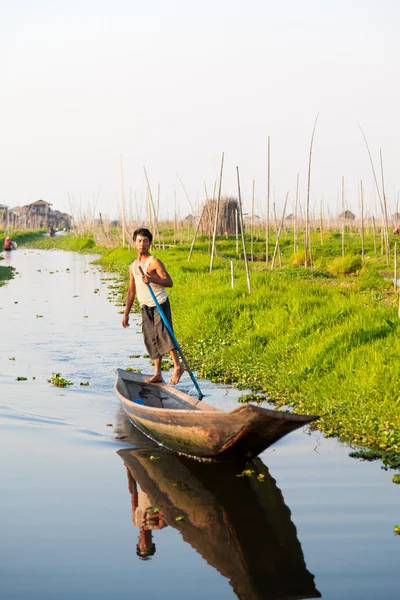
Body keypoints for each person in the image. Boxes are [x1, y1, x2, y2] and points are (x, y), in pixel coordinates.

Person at [122, 228, 184, 385]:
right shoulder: (133, 266)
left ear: (150, 243)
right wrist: (126, 313)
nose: (142, 244)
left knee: (164, 333)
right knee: (151, 338)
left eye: (145, 241)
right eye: (139, 241)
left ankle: (177, 367)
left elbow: (169, 282)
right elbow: (131, 290)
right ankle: (157, 373)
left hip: (159, 302)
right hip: (145, 305)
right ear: (134, 243)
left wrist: (151, 279)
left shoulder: (154, 262)